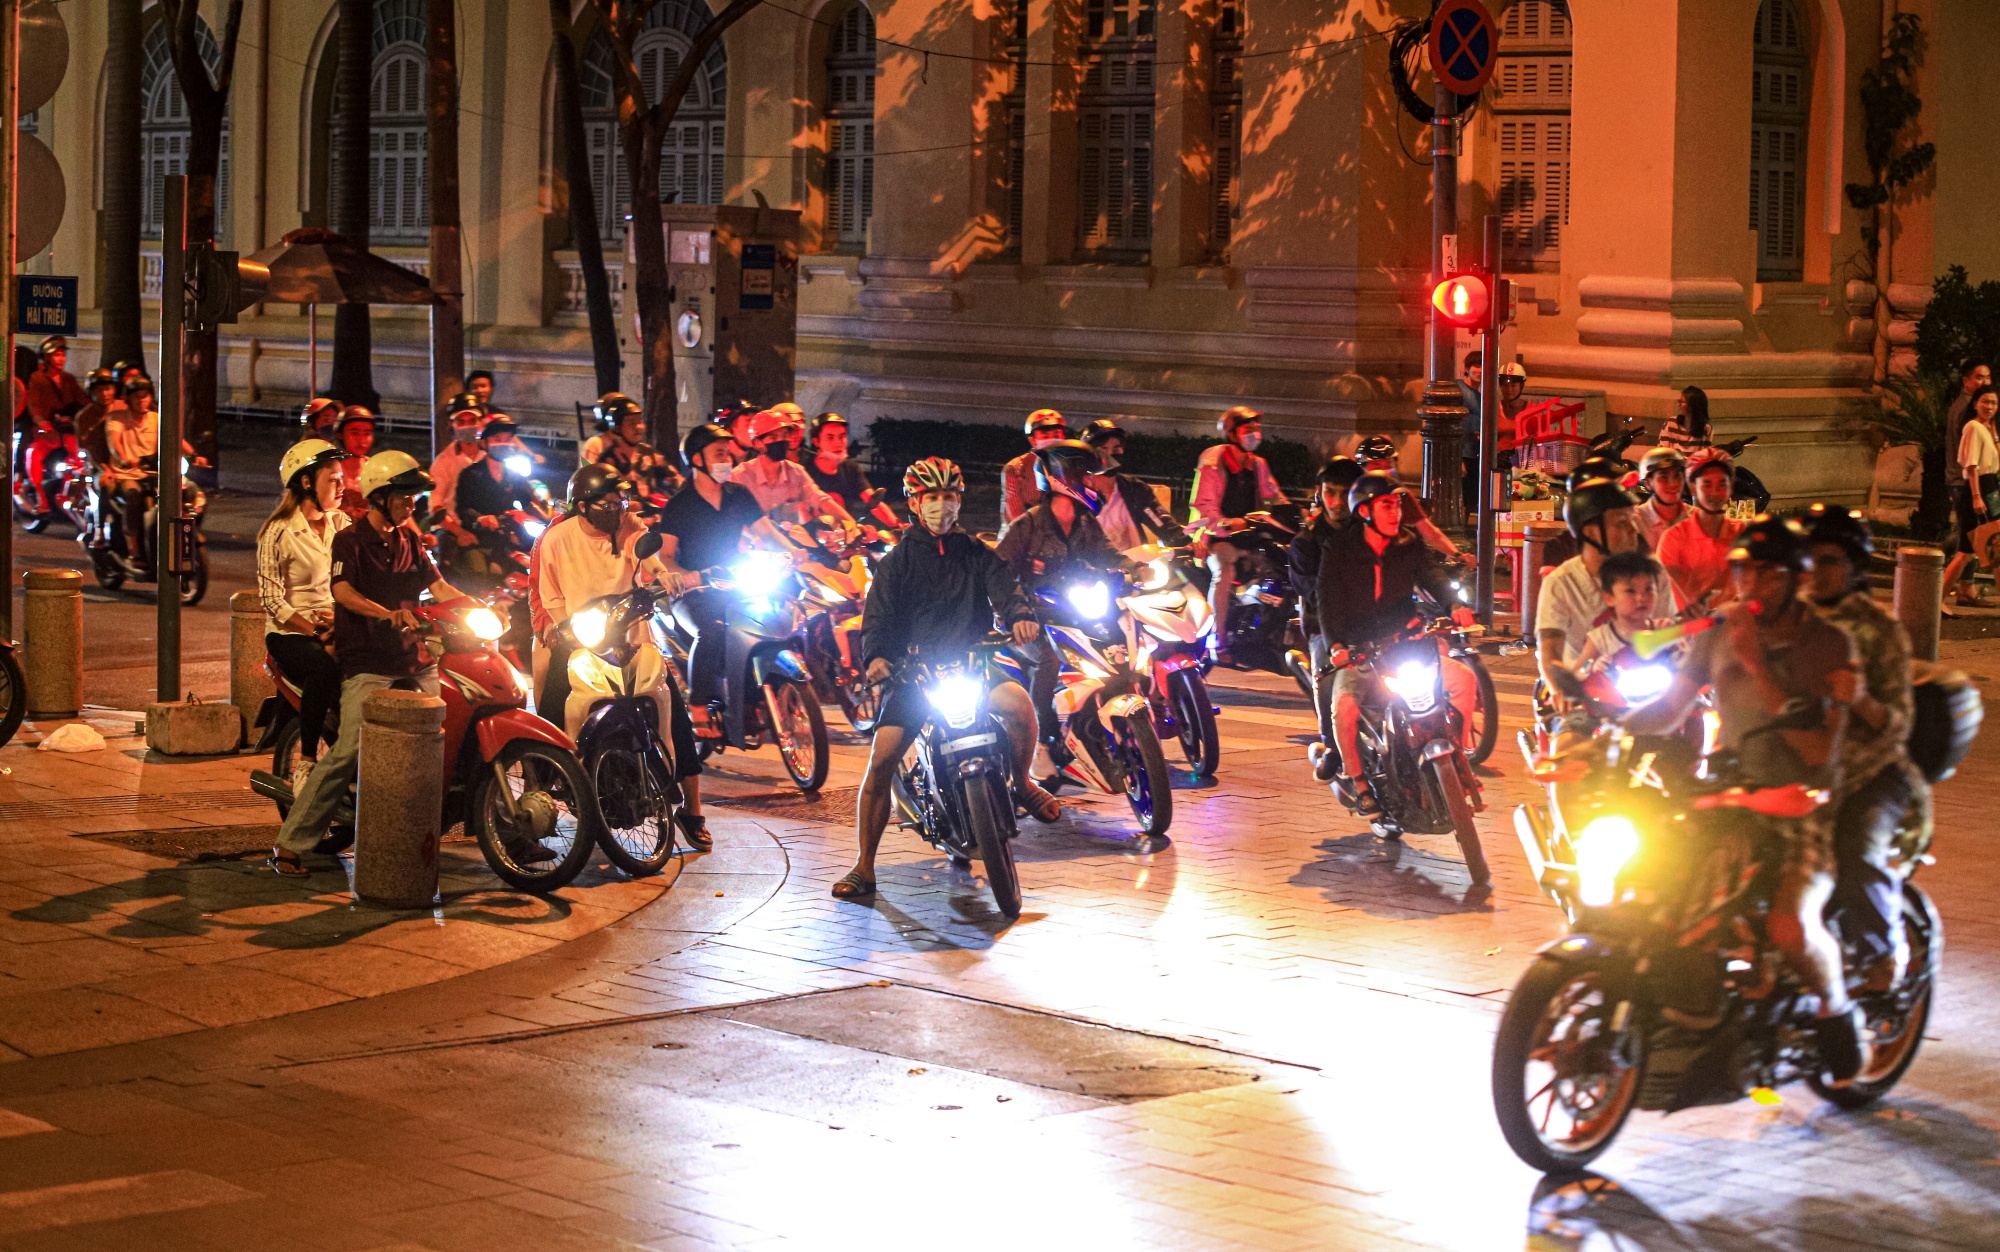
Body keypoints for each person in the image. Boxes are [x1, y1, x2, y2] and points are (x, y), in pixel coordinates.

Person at [1624, 516, 1870, 1083]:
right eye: (1741, 571)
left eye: (1763, 573)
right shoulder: (1717, 629)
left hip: (1807, 803)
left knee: (1788, 926)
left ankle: (1838, 1013)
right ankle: (1692, 1011)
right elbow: (1671, 708)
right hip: (1732, 792)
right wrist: (1605, 729)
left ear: (1793, 579)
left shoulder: (1826, 642)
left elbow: (1816, 749)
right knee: (1664, 890)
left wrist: (1759, 667)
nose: (1748, 585)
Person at [834, 457, 1057, 900]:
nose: (941, 506)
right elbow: (875, 620)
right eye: (931, 497)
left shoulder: (976, 552)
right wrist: (877, 657)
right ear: (915, 504)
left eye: (948, 497)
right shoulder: (896, 562)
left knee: (1020, 707)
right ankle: (864, 865)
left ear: (958, 501)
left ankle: (1024, 782)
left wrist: (1020, 617)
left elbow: (1006, 591)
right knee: (881, 760)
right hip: (914, 675)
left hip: (973, 665)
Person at [269, 451, 473, 876]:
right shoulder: (351, 541)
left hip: (414, 657)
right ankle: (290, 843)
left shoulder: (411, 541)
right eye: (403, 496)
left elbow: (437, 585)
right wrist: (386, 614)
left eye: (413, 497)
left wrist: (477, 605)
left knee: (451, 728)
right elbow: (342, 591)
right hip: (368, 660)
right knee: (348, 750)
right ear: (380, 496)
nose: (411, 504)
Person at [535, 463, 713, 852]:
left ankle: (692, 808)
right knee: (550, 703)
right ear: (582, 506)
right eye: (608, 503)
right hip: (582, 636)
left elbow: (648, 555)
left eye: (621, 502)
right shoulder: (557, 538)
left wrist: (663, 575)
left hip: (631, 632)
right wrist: (563, 625)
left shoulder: (630, 525)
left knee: (672, 710)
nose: (617, 509)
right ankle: (541, 792)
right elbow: (550, 594)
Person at [1315, 473, 1480, 848]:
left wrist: (1454, 605)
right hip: (1360, 648)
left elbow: (1433, 577)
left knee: (1463, 681)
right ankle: (1359, 783)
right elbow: (1327, 600)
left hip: (1405, 643)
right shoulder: (1338, 549)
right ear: (1365, 510)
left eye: (1397, 505)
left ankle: (1459, 756)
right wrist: (1338, 644)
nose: (1395, 512)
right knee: (1345, 709)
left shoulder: (1409, 544)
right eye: (1387, 505)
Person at [1804, 503, 1925, 995]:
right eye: (1808, 558)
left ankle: (1882, 953)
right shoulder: (1783, 620)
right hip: (1796, 770)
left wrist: (1861, 701)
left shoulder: (1880, 631)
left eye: (1829, 559)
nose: (1817, 569)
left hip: (1870, 776)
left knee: (1855, 852)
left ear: (1853, 565)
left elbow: (1898, 725)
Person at [654, 423, 794, 735]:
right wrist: (684, 576)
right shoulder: (680, 505)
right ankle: (699, 705)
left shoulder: (738, 495)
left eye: (728, 453)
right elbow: (664, 555)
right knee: (712, 632)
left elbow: (766, 531)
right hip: (695, 592)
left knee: (773, 620)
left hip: (736, 582)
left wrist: (792, 553)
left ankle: (755, 697)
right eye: (719, 453)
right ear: (697, 460)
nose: (727, 459)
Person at [996, 440, 1122, 767]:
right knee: (1048, 660)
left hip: (1071, 612)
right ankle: (1039, 739)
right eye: (1083, 474)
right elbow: (998, 574)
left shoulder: (1084, 522)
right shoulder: (1027, 524)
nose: (1091, 481)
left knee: (1118, 647)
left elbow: (1106, 553)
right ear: (1057, 478)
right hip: (1029, 618)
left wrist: (1133, 567)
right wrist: (1016, 612)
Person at [255, 439, 352, 794]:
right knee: (323, 668)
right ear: (307, 482)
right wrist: (315, 629)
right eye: (333, 479)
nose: (342, 486)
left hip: (339, 624)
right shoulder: (277, 532)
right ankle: (308, 760)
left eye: (342, 479)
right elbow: (273, 601)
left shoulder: (343, 524)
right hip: (290, 634)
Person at [1536, 477, 1678, 697]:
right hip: (1585, 690)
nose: (1633, 531)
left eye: (1633, 521)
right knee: (1570, 732)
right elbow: (1551, 653)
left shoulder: (1652, 573)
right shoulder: (1560, 582)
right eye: (1622, 523)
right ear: (1591, 532)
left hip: (1651, 686)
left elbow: (1668, 633)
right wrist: (1560, 691)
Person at [1191, 406, 1289, 664]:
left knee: (1286, 567)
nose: (1255, 434)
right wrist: (1227, 523)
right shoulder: (1213, 461)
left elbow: (1274, 496)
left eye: (1257, 429)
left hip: (1253, 536)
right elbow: (1204, 506)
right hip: (1219, 538)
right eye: (1249, 429)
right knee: (1224, 573)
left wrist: (1297, 517)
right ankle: (1218, 637)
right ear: (1231, 433)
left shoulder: (1259, 464)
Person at [1294, 455, 1363, 780]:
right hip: (1327, 627)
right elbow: (1315, 595)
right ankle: (1331, 744)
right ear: (1320, 493)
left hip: (1374, 623)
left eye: (1344, 492)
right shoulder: (1306, 543)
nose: (1336, 502)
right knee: (1326, 666)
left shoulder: (1374, 531)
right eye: (1330, 492)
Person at [1655, 446, 1746, 611]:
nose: (1715, 492)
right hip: (1691, 631)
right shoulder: (1674, 539)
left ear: (1731, 487)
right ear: (1693, 488)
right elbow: (1674, 594)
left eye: (1722, 484)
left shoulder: (1742, 533)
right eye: (1707, 484)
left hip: (1736, 628)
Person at [732, 408, 854, 527]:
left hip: (792, 543)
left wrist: (853, 526)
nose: (781, 441)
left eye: (785, 436)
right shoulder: (740, 476)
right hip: (754, 544)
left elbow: (822, 500)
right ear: (758, 443)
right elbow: (732, 515)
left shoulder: (797, 472)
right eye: (774, 438)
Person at [1079, 418, 1187, 551]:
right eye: (1103, 449)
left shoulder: (1135, 490)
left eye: (1116, 449)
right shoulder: (1077, 492)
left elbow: (1159, 520)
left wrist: (1186, 542)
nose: (1110, 455)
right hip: (1089, 568)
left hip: (1136, 567)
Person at [1354, 433, 1463, 560]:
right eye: (1377, 466)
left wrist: (1457, 554)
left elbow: (1429, 530)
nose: (1384, 472)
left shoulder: (1401, 495)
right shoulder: (1351, 494)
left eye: (1388, 466)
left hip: (1391, 559)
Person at [1940, 384, 2000, 609]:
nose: (1990, 406)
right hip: (1979, 490)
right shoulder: (1973, 427)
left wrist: (1994, 434)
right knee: (1968, 552)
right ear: (1975, 403)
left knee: (1990, 550)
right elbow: (1972, 465)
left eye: (1994, 403)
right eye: (1985, 401)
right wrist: (1976, 496)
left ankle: (1937, 601)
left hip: (1990, 489)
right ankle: (1936, 601)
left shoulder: (1985, 428)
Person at [1572, 552, 1677, 670]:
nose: (1641, 598)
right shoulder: (1600, 639)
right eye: (1630, 591)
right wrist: (1593, 666)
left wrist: (1677, 643)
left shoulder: (1662, 629)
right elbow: (1579, 671)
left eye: (1648, 589)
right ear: (1609, 598)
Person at [805, 412, 901, 529]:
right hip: (810, 540)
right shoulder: (803, 470)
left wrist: (897, 526)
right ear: (816, 442)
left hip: (848, 538)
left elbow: (871, 499)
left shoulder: (851, 469)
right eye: (830, 437)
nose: (838, 443)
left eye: (842, 436)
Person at [582, 393, 676, 495]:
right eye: (631, 422)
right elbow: (590, 482)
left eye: (638, 420)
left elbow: (669, 476)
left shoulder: (642, 449)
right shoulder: (597, 444)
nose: (637, 427)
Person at [1001, 409, 1070, 527]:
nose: (1052, 440)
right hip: (1024, 534)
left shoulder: (1072, 465)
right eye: (1045, 436)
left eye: (1057, 435)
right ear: (1032, 440)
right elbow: (1015, 514)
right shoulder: (1016, 468)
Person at [428, 405, 488, 531]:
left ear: (482, 423)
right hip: (451, 529)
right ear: (452, 425)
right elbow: (435, 503)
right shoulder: (443, 461)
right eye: (461, 422)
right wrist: (458, 531)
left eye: (472, 421)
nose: (467, 427)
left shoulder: (491, 457)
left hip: (487, 528)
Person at [1632, 447, 1688, 550]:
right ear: (1648, 483)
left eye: (1677, 476)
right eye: (1663, 477)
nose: (1673, 484)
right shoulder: (1635, 522)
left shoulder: (1696, 517)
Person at [75, 368, 123, 473]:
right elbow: (87, 449)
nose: (105, 394)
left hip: (125, 465)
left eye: (108, 389)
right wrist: (104, 469)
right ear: (91, 392)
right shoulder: (84, 417)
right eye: (99, 390)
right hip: (98, 467)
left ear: (114, 389)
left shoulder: (124, 408)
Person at [333, 407, 377, 514]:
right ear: (340, 434)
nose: (362, 440)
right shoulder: (327, 467)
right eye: (355, 433)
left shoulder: (376, 470)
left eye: (367, 433)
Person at [1656, 384, 1712, 452]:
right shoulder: (1671, 423)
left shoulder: (1706, 428)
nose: (1678, 404)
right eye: (1678, 401)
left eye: (1681, 402)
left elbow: (1705, 456)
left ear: (1692, 406)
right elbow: (1662, 451)